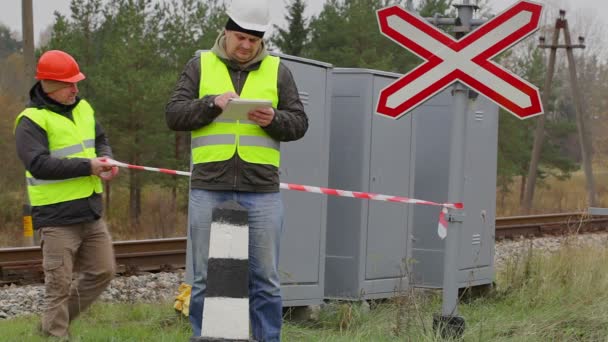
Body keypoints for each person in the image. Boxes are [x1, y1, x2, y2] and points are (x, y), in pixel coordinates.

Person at [165, 0, 308, 340]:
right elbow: (173, 114)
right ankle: (204, 337)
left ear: (261, 41)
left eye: (253, 40)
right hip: (208, 186)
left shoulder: (278, 69)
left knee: (266, 279)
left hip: (261, 190)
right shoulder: (200, 65)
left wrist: (275, 119)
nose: (245, 46)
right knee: (202, 278)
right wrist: (210, 104)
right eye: (240, 37)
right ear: (226, 33)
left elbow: (300, 123)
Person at [14, 50, 118, 339]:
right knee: (58, 286)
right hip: (57, 218)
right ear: (49, 84)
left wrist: (106, 159)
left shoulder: (83, 108)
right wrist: (89, 166)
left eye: (77, 82)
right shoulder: (30, 121)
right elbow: (39, 165)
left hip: (91, 212)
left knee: (104, 271)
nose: (76, 89)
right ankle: (55, 333)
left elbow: (101, 140)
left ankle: (51, 324)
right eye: (69, 84)